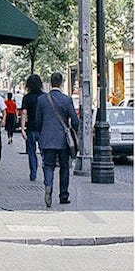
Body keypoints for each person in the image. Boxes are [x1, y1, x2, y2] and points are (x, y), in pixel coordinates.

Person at [36, 72, 79, 208]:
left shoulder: (42, 99)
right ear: (61, 83)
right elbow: (75, 120)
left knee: (48, 166)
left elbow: (38, 121)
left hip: (47, 139)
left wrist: (42, 133)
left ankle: (48, 186)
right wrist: (72, 132)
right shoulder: (66, 100)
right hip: (63, 140)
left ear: (51, 82)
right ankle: (63, 196)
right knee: (64, 167)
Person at [21, 74, 44, 181]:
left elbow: (24, 114)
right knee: (44, 152)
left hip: (31, 127)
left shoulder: (26, 98)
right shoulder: (44, 97)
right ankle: (46, 171)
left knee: (31, 151)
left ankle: (33, 173)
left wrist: (22, 128)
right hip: (42, 128)